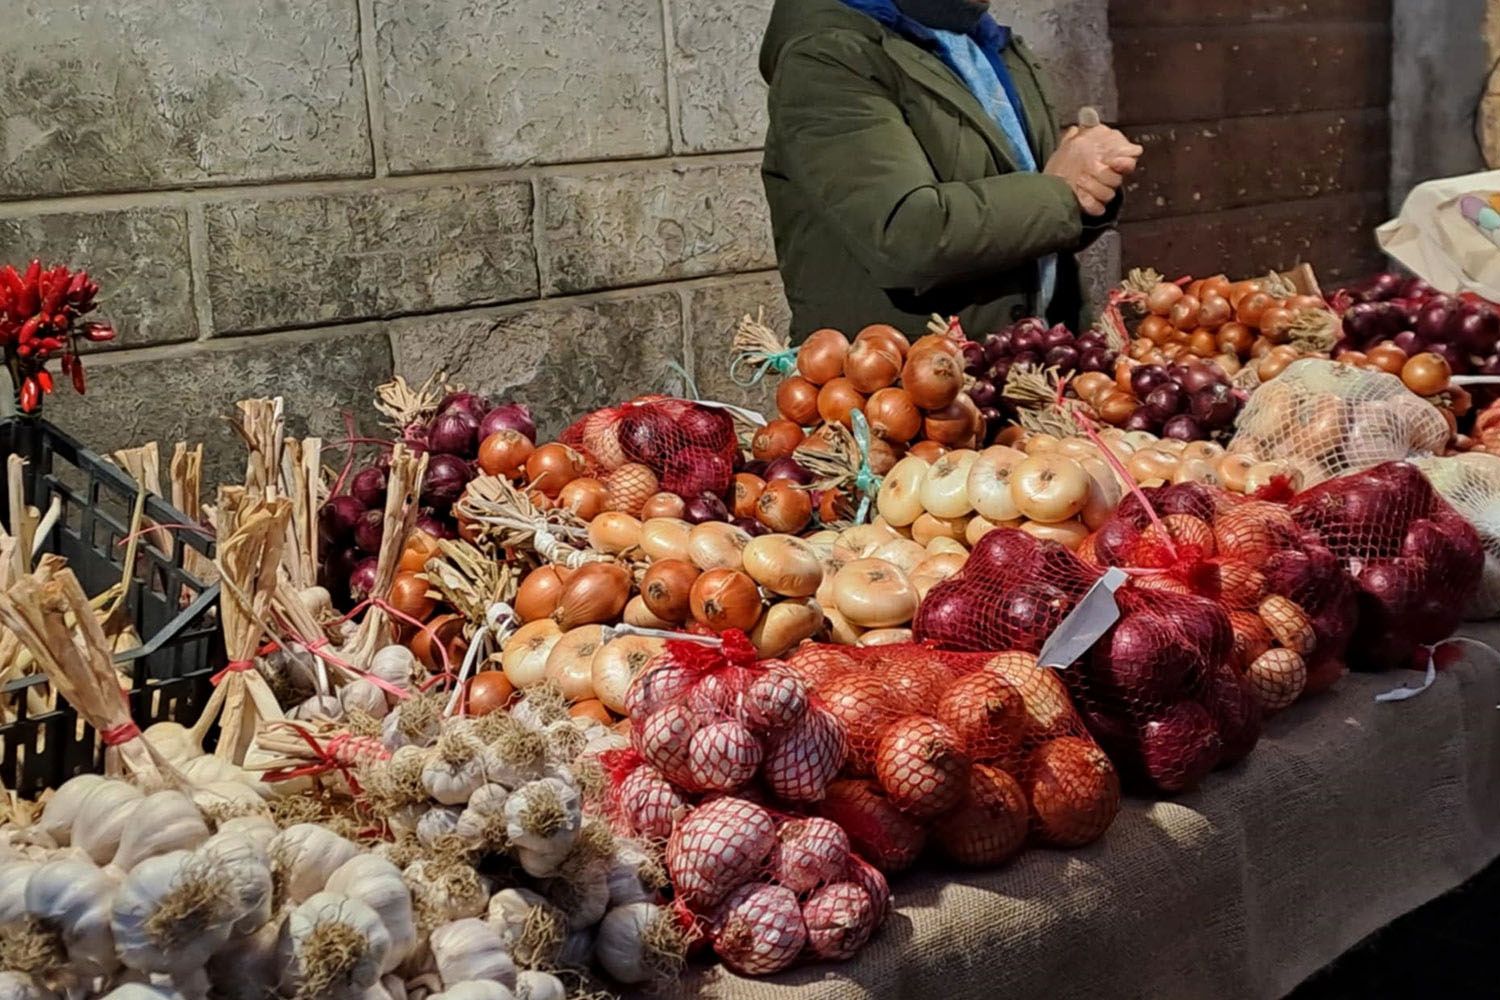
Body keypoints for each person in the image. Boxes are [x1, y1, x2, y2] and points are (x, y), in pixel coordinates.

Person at [759, 0, 1143, 340]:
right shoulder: (827, 57)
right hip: (911, 394)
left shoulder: (982, 42)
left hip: (1028, 371)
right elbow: (907, 234)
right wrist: (1063, 190)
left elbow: (1033, 218)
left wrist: (1092, 182)